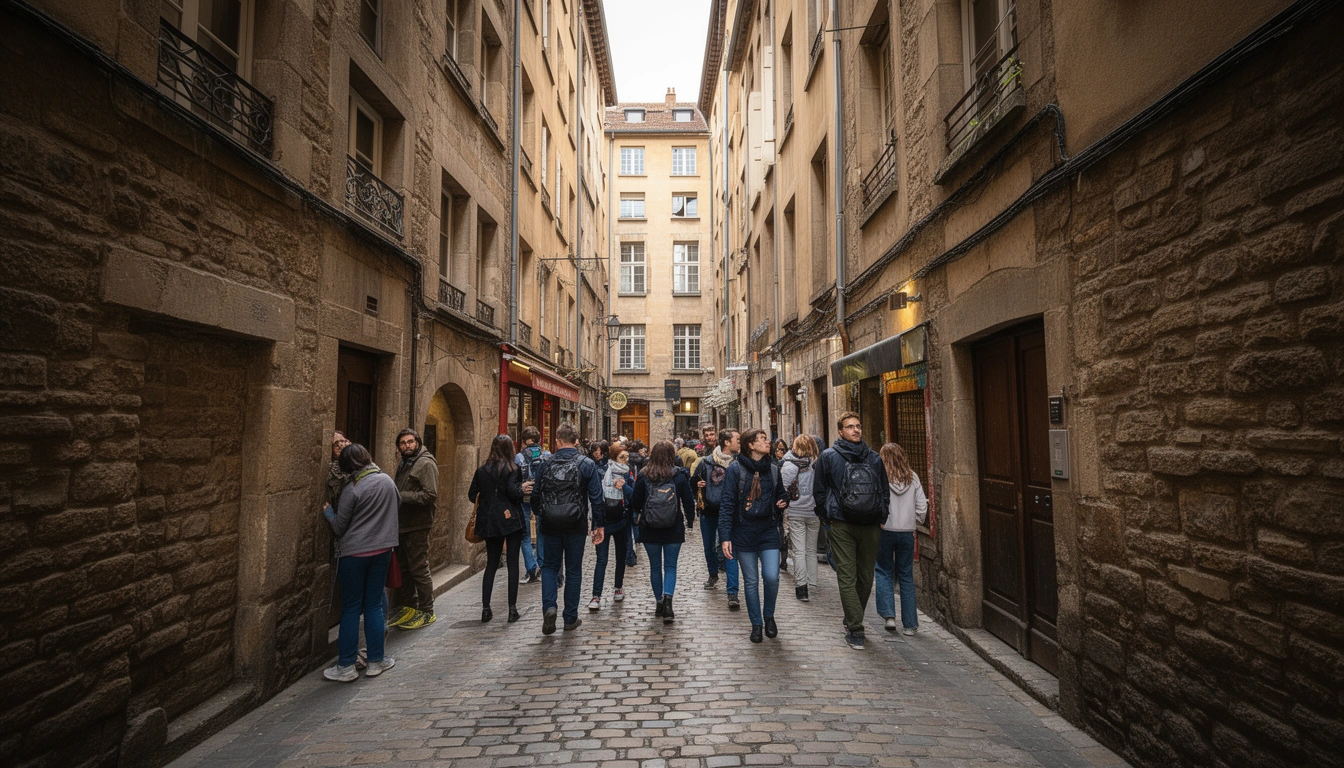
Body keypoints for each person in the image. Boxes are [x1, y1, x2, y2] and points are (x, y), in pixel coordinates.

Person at [322, 443, 399, 682]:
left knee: (352, 608)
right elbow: (396, 507)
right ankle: (376, 661)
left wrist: (328, 512)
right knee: (374, 605)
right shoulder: (387, 480)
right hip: (383, 550)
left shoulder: (352, 489)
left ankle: (346, 666)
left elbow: (339, 526)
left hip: (354, 554)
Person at [814, 412, 890, 650]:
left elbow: (884, 491)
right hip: (841, 524)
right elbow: (819, 491)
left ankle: (852, 615)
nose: (856, 430)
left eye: (858, 426)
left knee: (866, 577)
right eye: (850, 427)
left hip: (870, 525)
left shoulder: (874, 459)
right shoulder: (828, 457)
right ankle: (856, 628)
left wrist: (882, 516)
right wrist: (827, 518)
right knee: (847, 575)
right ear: (840, 431)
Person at [533, 422, 605, 634]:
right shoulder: (587, 464)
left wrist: (542, 515)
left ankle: (549, 607)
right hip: (576, 524)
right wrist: (598, 525)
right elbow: (596, 498)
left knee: (549, 567)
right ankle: (570, 617)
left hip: (550, 524)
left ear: (556, 441)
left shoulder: (545, 464)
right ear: (576, 441)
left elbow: (536, 495)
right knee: (573, 570)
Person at [719, 429, 788, 643]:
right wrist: (725, 536)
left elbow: (781, 494)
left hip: (768, 530)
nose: (768, 442)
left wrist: (783, 501)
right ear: (751, 445)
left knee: (771, 577)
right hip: (744, 532)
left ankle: (769, 616)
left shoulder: (774, 470)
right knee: (750, 581)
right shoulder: (735, 470)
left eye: (767, 439)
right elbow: (727, 504)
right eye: (763, 439)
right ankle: (756, 624)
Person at [631, 441, 696, 623]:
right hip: (673, 526)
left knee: (654, 567)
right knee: (670, 566)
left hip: (650, 526)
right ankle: (668, 600)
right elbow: (688, 501)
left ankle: (659, 601)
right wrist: (690, 520)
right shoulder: (679, 476)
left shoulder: (644, 475)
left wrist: (638, 515)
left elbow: (636, 501)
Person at [469, 435, 527, 624]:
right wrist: (523, 488)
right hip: (510, 519)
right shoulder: (513, 469)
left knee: (491, 564)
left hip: (489, 520)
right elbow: (514, 493)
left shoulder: (481, 471)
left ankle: (486, 608)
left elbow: (472, 495)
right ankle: (512, 609)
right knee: (512, 564)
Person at [876, 443, 929, 635]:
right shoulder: (912, 477)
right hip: (907, 532)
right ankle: (910, 625)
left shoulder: (880, 477)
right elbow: (922, 507)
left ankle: (889, 616)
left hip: (885, 529)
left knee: (883, 571)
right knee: (906, 576)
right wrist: (912, 521)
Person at [389, 429, 438, 631]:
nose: (407, 445)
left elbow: (430, 494)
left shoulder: (425, 463)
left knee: (419, 568)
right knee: (404, 568)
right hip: (403, 524)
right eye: (403, 443)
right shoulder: (405, 462)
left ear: (417, 442)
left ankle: (427, 610)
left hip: (418, 524)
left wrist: (402, 496)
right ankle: (409, 607)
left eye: (410, 442)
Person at [693, 429, 740, 608]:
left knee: (730, 550)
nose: (740, 442)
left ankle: (732, 592)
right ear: (726, 442)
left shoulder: (738, 463)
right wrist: (697, 484)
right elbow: (692, 480)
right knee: (708, 546)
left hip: (730, 513)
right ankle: (713, 574)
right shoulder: (706, 462)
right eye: (737, 439)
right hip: (709, 511)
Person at [591, 446, 634, 610]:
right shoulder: (602, 471)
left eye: (627, 456)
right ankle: (596, 595)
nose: (626, 460)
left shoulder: (627, 473)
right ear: (615, 457)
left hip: (622, 520)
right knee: (601, 559)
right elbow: (595, 496)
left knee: (620, 556)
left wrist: (624, 487)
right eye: (623, 456)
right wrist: (595, 523)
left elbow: (633, 494)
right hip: (603, 520)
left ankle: (618, 587)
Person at [780, 434, 820, 602]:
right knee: (811, 549)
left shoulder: (788, 465)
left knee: (799, 550)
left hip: (795, 511)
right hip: (814, 511)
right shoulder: (817, 465)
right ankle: (812, 581)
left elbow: (781, 488)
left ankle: (801, 587)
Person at [515, 427, 550, 584]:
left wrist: (523, 486)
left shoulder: (519, 457)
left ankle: (531, 568)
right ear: (539, 439)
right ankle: (542, 565)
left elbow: (514, 479)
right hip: (542, 496)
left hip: (525, 496)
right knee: (542, 532)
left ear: (523, 441)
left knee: (525, 534)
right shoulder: (546, 455)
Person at [326, 431, 352, 506]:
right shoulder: (334, 467)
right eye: (336, 443)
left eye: (342, 441)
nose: (340, 445)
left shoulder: (350, 462)